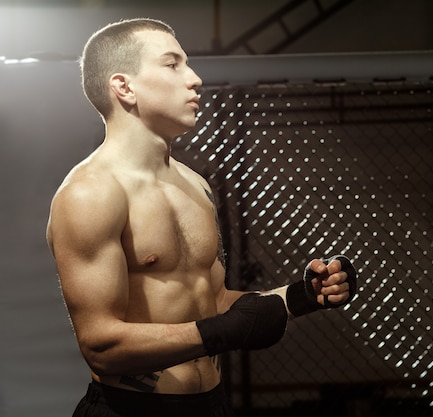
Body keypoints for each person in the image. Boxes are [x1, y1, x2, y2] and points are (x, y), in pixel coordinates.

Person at [46, 18, 357, 417]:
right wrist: (221, 333)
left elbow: (212, 302)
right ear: (124, 87)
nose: (194, 79)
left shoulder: (195, 185)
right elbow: (101, 346)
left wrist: (301, 296)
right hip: (130, 409)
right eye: (172, 64)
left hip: (211, 404)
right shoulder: (91, 193)